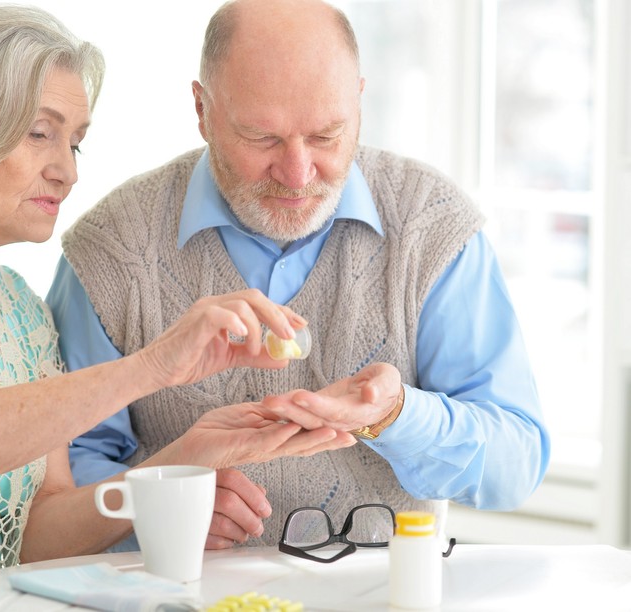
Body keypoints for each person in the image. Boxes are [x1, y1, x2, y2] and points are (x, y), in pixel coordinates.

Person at [0, 5, 358, 609]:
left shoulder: (22, 312)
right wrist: (153, 366)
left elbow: (38, 538)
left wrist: (186, 457)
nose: (68, 171)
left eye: (76, 142)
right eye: (40, 133)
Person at [47, 0, 551, 551]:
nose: (297, 173)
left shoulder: (433, 231)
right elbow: (65, 468)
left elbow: (515, 463)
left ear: (358, 102)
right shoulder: (110, 251)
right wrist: (153, 504)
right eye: (262, 138)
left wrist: (399, 416)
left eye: (326, 135)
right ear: (201, 109)